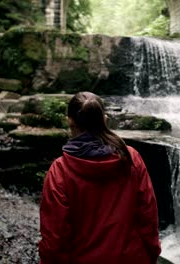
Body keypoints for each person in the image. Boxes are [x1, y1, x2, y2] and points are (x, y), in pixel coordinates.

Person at [38, 92, 161, 264]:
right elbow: (148, 216)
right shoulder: (131, 158)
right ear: (104, 119)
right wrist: (152, 253)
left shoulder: (60, 171)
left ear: (70, 121)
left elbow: (54, 237)